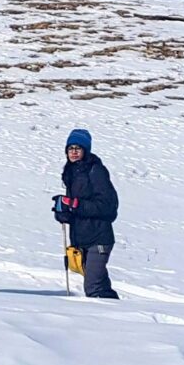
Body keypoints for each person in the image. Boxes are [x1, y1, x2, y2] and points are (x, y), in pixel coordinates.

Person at [52, 128, 120, 299]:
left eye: (78, 148)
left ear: (86, 150)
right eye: (70, 148)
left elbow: (108, 206)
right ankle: (119, 316)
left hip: (98, 238)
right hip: (82, 239)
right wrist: (64, 213)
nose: (74, 152)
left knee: (93, 287)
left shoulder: (95, 171)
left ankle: (101, 322)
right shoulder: (72, 172)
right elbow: (76, 208)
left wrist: (75, 205)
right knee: (100, 286)